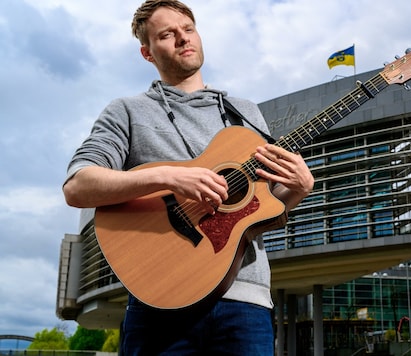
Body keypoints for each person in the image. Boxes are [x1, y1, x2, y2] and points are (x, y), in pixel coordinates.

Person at [62, 0, 314, 354]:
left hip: (246, 303)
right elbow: (78, 186)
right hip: (159, 303)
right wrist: (168, 177)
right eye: (167, 34)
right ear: (147, 53)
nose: (182, 39)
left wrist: (297, 191)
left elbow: (257, 214)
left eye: (188, 29)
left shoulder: (248, 114)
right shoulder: (128, 111)